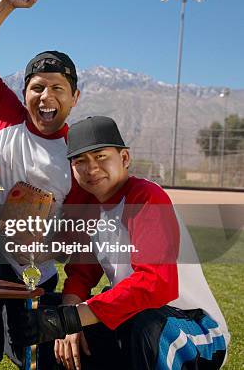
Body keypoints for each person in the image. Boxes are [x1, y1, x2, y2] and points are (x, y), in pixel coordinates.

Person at [12, 116, 230, 370]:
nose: (91, 168)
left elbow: (156, 284)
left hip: (194, 327)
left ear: (124, 159)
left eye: (101, 156)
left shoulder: (147, 196)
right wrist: (67, 321)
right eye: (80, 161)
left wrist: (73, 317)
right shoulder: (91, 209)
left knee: (147, 326)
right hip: (135, 317)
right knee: (44, 312)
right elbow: (82, 275)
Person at [0, 0, 81, 368]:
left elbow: (81, 228)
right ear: (24, 93)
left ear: (75, 97)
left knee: (39, 358)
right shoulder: (5, 114)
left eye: (58, 88)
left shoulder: (80, 154)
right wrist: (7, 4)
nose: (47, 97)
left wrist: (49, 241)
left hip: (37, 272)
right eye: (37, 87)